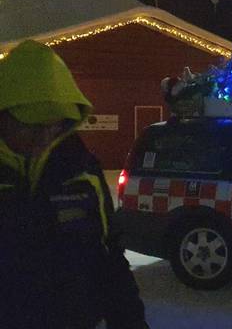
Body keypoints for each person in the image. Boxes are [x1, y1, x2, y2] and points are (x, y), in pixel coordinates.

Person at [0, 41, 148, 329]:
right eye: (31, 125)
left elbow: (109, 259)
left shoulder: (81, 171)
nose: (44, 137)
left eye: (54, 126)